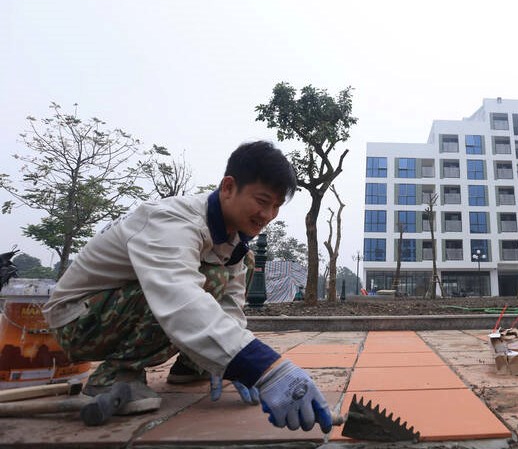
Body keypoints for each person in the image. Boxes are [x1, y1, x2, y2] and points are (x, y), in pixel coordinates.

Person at [42, 141, 332, 432]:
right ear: (228, 187)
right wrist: (266, 368)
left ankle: (192, 367)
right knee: (202, 283)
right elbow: (179, 298)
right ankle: (117, 375)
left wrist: (230, 364)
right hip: (77, 322)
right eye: (262, 200)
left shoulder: (234, 243)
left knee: (222, 276)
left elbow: (231, 306)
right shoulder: (172, 221)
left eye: (276, 207)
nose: (267, 215)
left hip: (114, 312)